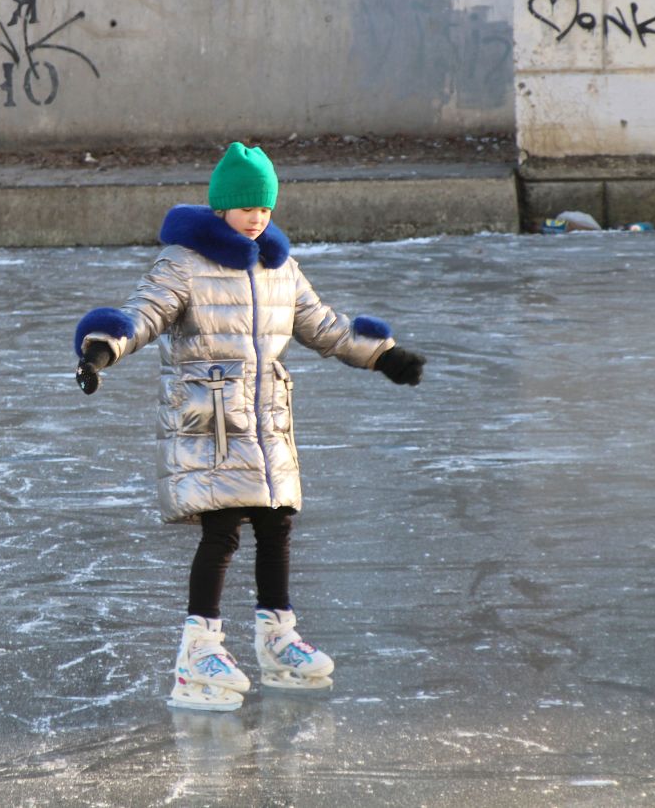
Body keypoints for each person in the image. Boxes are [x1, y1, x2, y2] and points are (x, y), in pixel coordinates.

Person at [71, 141, 425, 711]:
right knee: (222, 531)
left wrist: (383, 355)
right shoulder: (183, 263)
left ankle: (278, 640)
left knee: (277, 524)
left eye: (265, 207)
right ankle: (198, 651)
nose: (257, 217)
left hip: (267, 421)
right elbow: (142, 315)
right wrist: (101, 350)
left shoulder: (280, 266)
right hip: (210, 421)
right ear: (221, 209)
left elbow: (324, 326)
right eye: (246, 207)